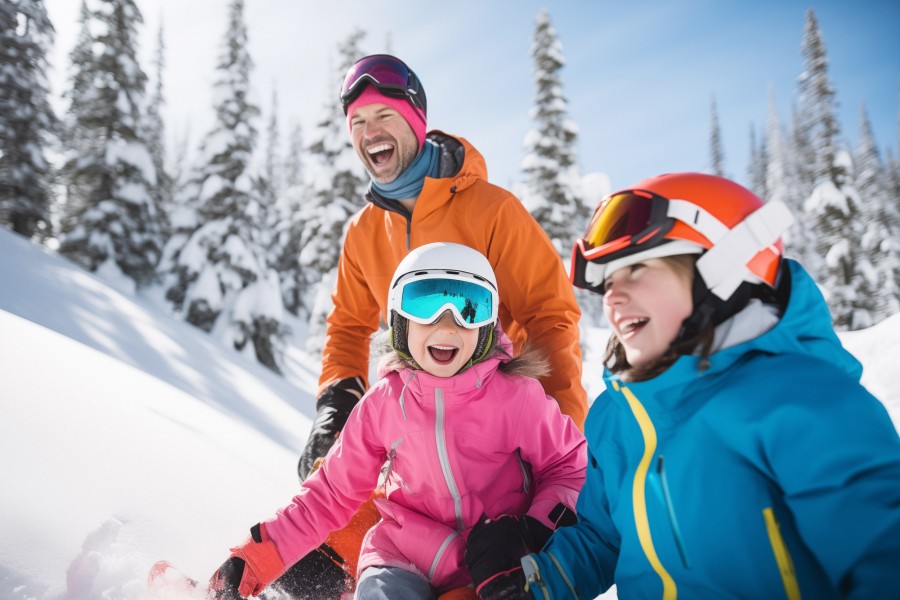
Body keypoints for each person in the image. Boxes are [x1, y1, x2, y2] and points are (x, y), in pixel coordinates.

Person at [481, 172, 900, 598]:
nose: (611, 297)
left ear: (725, 269)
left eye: (637, 269)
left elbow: (882, 554)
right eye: (607, 283)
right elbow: (603, 537)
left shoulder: (802, 401)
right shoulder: (617, 416)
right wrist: (536, 583)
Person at [291, 54, 589, 593]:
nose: (368, 133)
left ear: (416, 121)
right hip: (419, 439)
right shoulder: (364, 232)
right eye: (357, 123)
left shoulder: (491, 210)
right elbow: (348, 327)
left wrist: (561, 428)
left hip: (499, 449)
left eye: (382, 116)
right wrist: (336, 404)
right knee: (334, 529)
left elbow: (551, 313)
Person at [208, 242, 587, 600]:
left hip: (489, 563)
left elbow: (571, 467)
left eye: (470, 307)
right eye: (424, 303)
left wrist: (533, 530)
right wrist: (254, 558)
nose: (448, 323)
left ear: (487, 324)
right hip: (403, 553)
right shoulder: (383, 403)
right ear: (399, 320)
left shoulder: (515, 397)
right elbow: (330, 493)